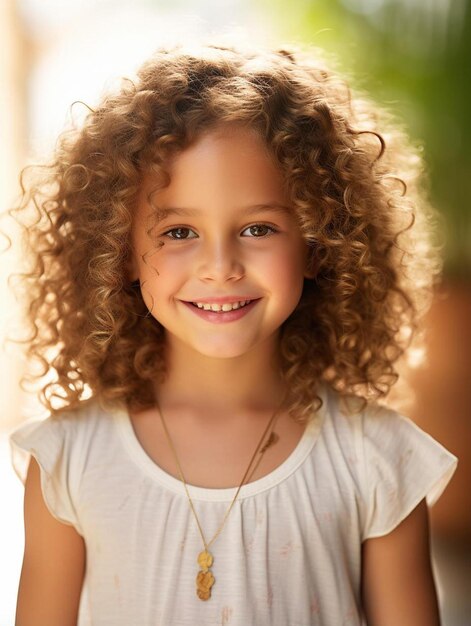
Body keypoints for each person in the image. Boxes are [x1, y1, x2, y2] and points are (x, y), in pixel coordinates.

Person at [8, 41, 457, 626]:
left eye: (257, 227)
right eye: (177, 233)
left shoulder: (376, 460)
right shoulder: (70, 460)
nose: (220, 266)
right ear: (119, 254)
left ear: (319, 242)